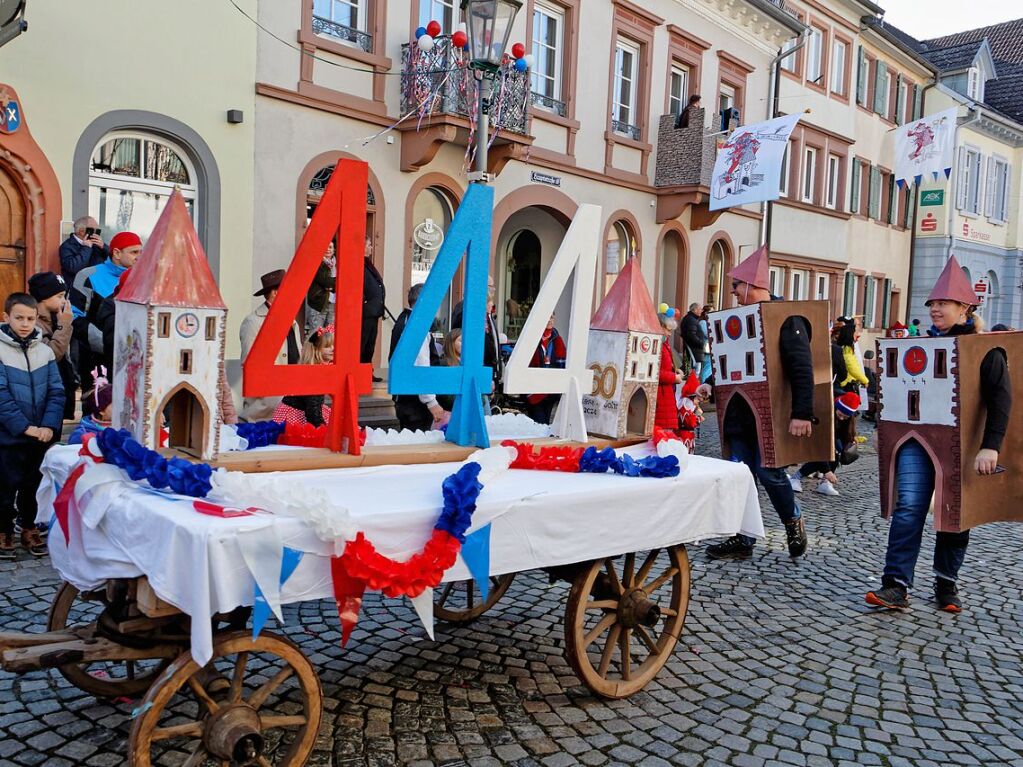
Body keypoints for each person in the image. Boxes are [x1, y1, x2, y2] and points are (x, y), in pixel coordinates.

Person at [866, 264, 1010, 613]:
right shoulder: (921, 345)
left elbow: (1000, 399)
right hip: (917, 440)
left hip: (963, 443)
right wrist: (887, 430)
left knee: (955, 513)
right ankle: (896, 585)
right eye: (933, 302)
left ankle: (946, 582)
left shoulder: (983, 350)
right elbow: (901, 391)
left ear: (965, 309)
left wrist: (990, 445)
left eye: (944, 302)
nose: (935, 308)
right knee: (909, 507)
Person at [699, 246, 813, 561]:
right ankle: (742, 537)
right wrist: (709, 385)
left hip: (767, 413)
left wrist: (802, 412)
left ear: (751, 284)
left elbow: (801, 367)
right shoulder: (734, 319)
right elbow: (728, 362)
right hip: (738, 412)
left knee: (768, 472)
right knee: (741, 475)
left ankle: (792, 518)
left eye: (736, 285)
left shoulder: (786, 319)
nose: (732, 292)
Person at [0, 293, 65, 558]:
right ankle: (3, 529)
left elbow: (56, 392)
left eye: (30, 318)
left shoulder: (45, 352)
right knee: (5, 485)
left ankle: (28, 527)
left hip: (40, 436)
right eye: (19, 318)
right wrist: (25, 427)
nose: (25, 323)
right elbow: (1, 396)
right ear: (6, 318)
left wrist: (48, 426)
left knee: (34, 486)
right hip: (8, 436)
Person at [71, 231, 142, 392]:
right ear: (117, 253)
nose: (139, 257)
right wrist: (110, 344)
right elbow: (74, 317)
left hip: (133, 361)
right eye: (134, 252)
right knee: (98, 409)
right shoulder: (88, 275)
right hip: (95, 360)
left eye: (141, 252)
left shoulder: (143, 279)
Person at [240, 270, 302, 421]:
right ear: (275, 293)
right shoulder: (253, 322)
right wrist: (270, 394)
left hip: (292, 396)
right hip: (266, 405)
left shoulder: (292, 321)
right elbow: (249, 363)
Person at [790, 392, 860, 497]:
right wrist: (827, 471)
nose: (842, 418)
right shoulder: (825, 415)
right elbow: (819, 448)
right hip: (815, 436)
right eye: (840, 415)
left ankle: (825, 482)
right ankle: (796, 477)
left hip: (832, 437)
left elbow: (844, 436)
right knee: (824, 455)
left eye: (845, 417)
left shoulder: (847, 421)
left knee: (837, 452)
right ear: (836, 408)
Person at [28, 272, 76, 421]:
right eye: (60, 296)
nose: (64, 301)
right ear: (43, 296)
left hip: (57, 392)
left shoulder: (56, 319)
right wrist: (65, 325)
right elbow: (53, 354)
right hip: (42, 394)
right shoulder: (33, 324)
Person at [272, 327, 334, 427]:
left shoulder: (320, 369)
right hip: (295, 415)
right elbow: (313, 411)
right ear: (316, 349)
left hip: (307, 409)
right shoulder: (313, 374)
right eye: (327, 346)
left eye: (334, 345)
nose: (333, 349)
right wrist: (322, 429)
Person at [524, 313, 567, 424]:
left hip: (550, 390)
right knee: (538, 422)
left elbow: (562, 366)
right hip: (534, 389)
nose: (550, 320)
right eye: (547, 317)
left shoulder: (558, 340)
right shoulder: (532, 339)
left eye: (552, 317)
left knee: (545, 424)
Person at [362, 237, 386, 382]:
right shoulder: (358, 264)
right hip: (365, 312)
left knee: (370, 346)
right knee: (362, 344)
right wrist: (365, 302)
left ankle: (366, 373)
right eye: (369, 245)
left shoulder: (367, 264)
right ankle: (360, 373)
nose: (371, 248)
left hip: (373, 311)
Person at [655, 310, 683, 433]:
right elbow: (655, 372)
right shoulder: (658, 345)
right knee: (663, 432)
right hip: (661, 395)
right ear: (660, 326)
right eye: (668, 330)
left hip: (666, 394)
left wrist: (674, 370)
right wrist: (674, 377)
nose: (670, 334)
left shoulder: (664, 344)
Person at [59, 216, 106, 288]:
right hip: (79, 289)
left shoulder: (96, 244)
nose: (97, 233)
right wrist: (86, 248)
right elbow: (73, 268)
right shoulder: (67, 246)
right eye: (94, 230)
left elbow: (114, 259)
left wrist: (104, 247)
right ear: (81, 231)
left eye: (98, 230)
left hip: (99, 286)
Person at [69, 371, 113, 444]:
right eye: (115, 405)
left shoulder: (125, 428)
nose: (120, 409)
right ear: (101, 410)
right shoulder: (82, 435)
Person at [306, 241, 336, 339]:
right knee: (316, 335)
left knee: (329, 335)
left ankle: (325, 355)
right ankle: (313, 354)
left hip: (332, 304)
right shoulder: (317, 263)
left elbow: (333, 283)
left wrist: (331, 284)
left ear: (334, 250)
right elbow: (326, 281)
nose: (328, 249)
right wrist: (333, 283)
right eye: (326, 247)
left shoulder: (336, 265)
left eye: (330, 247)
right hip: (318, 304)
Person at [681, 303, 706, 376]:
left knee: (692, 373)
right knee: (694, 374)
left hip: (694, 350)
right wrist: (701, 344)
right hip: (693, 350)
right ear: (694, 310)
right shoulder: (691, 320)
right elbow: (691, 335)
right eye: (700, 309)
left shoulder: (691, 319)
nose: (701, 311)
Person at [699, 306, 713, 383]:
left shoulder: (707, 322)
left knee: (709, 366)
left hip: (708, 347)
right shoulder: (703, 322)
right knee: (707, 366)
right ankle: (704, 382)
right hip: (706, 347)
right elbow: (707, 334)